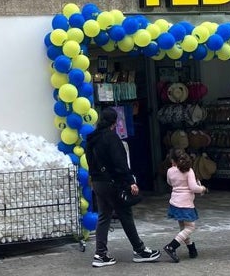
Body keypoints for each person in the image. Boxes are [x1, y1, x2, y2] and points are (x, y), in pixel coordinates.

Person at [85, 106, 161, 267]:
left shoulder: (92, 138)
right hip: (112, 182)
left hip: (98, 182)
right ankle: (140, 250)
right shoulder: (111, 138)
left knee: (104, 216)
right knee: (125, 214)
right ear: (115, 122)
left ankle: (100, 254)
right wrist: (130, 181)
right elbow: (119, 162)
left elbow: (90, 162)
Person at [162, 148, 207, 262]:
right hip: (185, 203)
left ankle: (192, 249)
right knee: (190, 227)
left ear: (173, 160)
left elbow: (170, 182)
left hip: (175, 203)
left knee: (183, 228)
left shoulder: (170, 171)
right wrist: (203, 188)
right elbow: (193, 188)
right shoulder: (189, 171)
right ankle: (171, 246)